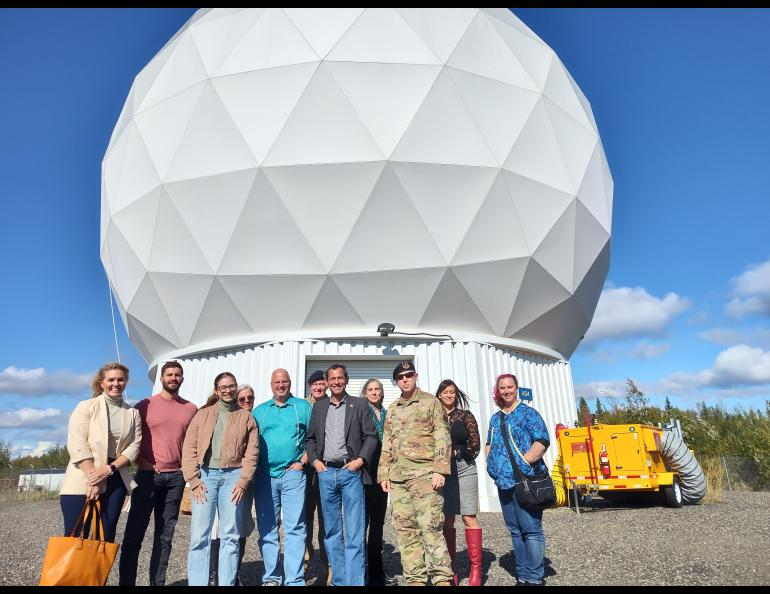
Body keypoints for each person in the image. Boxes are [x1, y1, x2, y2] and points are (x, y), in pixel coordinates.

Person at [119, 361, 198, 586]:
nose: (173, 378)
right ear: (161, 378)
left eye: (177, 375)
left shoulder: (190, 408)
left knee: (164, 539)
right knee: (134, 536)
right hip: (147, 477)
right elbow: (130, 439)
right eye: (169, 374)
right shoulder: (144, 405)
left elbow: (193, 442)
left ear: (182, 378)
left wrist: (187, 469)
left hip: (175, 479)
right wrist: (141, 461)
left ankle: (158, 583)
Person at [377, 360, 454, 586]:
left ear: (416, 376)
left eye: (408, 375)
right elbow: (387, 443)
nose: (405, 380)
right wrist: (383, 474)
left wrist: (441, 470)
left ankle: (441, 580)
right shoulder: (393, 408)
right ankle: (415, 580)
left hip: (425, 477)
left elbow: (442, 436)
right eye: (401, 377)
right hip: (399, 480)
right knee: (405, 533)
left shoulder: (431, 402)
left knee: (431, 530)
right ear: (396, 381)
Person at [182, 372, 259, 586]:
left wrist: (243, 481)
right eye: (223, 387)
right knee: (199, 536)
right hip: (206, 477)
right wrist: (194, 480)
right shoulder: (202, 415)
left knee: (231, 536)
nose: (228, 390)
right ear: (217, 390)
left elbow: (252, 453)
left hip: (233, 478)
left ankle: (227, 582)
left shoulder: (246, 417)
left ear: (235, 388)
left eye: (231, 386)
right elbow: (188, 448)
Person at [305, 364, 378, 586]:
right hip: (326, 473)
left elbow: (372, 437)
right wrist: (316, 461)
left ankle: (355, 581)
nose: (336, 382)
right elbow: (310, 439)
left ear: (346, 380)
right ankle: (338, 580)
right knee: (332, 532)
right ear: (326, 382)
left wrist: (359, 461)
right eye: (332, 379)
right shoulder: (319, 408)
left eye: (340, 378)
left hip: (350, 473)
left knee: (355, 531)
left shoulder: (360, 405)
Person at [60, 362, 142, 544]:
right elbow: (77, 442)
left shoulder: (133, 413)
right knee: (75, 536)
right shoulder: (86, 406)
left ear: (126, 382)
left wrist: (110, 469)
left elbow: (134, 446)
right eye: (110, 379)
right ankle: (70, 573)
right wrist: (94, 478)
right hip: (83, 474)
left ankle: (98, 574)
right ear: (101, 383)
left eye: (120, 379)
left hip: (115, 477)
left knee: (105, 536)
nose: (116, 383)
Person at [485, 373, 550, 586]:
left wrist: (524, 463)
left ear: (516, 388)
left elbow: (541, 441)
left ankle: (534, 577)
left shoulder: (528, 414)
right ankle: (522, 575)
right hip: (504, 482)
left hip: (525, 480)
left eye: (510, 387)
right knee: (515, 530)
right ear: (498, 391)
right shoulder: (496, 418)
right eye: (502, 388)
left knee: (531, 529)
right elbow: (489, 443)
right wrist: (492, 465)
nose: (506, 391)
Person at [252, 369, 312, 586]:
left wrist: (302, 462)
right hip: (265, 476)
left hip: (292, 475)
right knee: (268, 527)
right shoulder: (260, 411)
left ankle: (295, 579)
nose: (281, 385)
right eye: (277, 382)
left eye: (284, 382)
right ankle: (271, 577)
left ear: (290, 383)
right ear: (271, 384)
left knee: (295, 527)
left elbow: (314, 438)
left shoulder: (303, 408)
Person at [208, 384, 258, 586]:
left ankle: (233, 572)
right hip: (226, 481)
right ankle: (214, 576)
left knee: (241, 527)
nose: (246, 401)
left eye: (250, 398)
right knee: (219, 528)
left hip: (247, 483)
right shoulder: (225, 418)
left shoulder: (254, 420)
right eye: (242, 398)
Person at [436, 379, 483, 586]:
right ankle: (451, 569)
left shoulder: (465, 416)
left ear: (456, 395)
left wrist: (457, 451)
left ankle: (475, 571)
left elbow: (476, 446)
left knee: (469, 517)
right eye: (445, 392)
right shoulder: (434, 416)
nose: (448, 395)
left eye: (452, 392)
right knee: (447, 520)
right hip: (443, 473)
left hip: (464, 469)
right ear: (439, 395)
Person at [360, 378, 395, 587]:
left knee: (377, 526)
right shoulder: (361, 411)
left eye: (377, 389)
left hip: (382, 474)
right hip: (364, 473)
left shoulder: (388, 413)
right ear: (365, 393)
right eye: (371, 390)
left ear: (382, 393)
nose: (374, 393)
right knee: (361, 524)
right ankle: (359, 570)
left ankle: (376, 572)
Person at [304, 370, 330, 583]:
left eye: (322, 383)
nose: (319, 388)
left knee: (326, 519)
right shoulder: (302, 405)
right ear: (309, 386)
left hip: (326, 470)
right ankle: (304, 563)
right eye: (315, 384)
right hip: (304, 471)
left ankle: (328, 565)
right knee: (303, 519)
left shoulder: (333, 404)